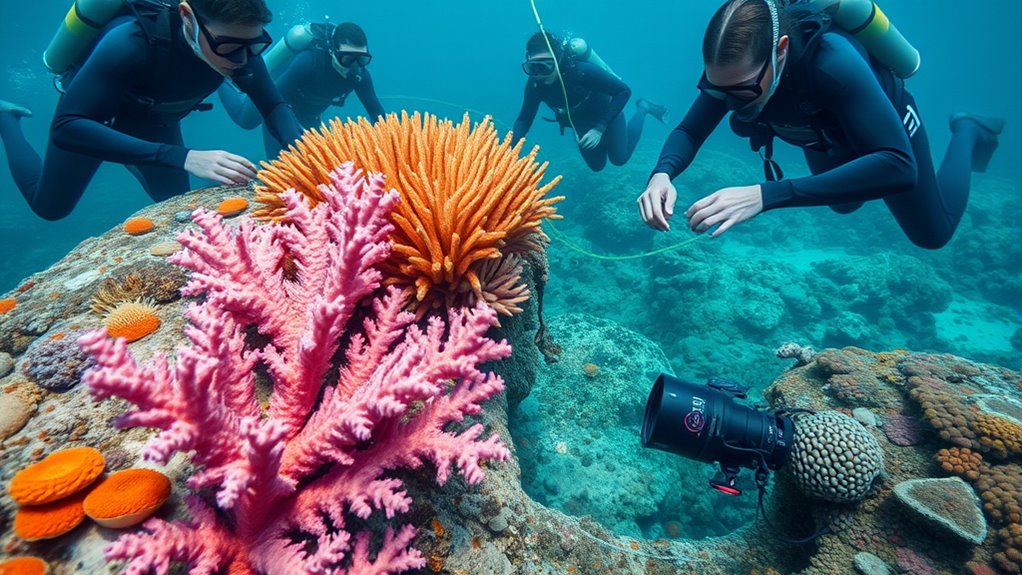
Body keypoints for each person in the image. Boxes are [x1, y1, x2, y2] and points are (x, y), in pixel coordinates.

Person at [637, 0, 1005, 249]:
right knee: (845, 205)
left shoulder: (832, 64)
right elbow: (689, 130)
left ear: (780, 51)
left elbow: (898, 165)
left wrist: (766, 195)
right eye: (718, 89)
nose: (730, 102)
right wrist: (662, 174)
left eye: (744, 89)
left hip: (883, 128)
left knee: (932, 234)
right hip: (821, 135)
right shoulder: (734, 72)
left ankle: (968, 130)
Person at [0, 0, 302, 221]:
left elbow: (274, 106)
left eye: (256, 44)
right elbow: (66, 127)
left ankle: (135, 154)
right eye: (228, 46)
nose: (244, 59)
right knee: (50, 208)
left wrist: (309, 154)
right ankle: (7, 118)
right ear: (187, 18)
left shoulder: (243, 49)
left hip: (156, 123)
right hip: (98, 121)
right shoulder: (130, 42)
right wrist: (183, 156)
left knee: (175, 206)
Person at [218, 21, 385, 158]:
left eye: (362, 59)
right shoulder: (308, 62)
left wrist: (383, 148)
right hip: (277, 106)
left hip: (310, 117)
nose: (355, 66)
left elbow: (375, 111)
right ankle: (218, 77)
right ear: (333, 52)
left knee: (317, 163)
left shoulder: (360, 76)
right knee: (246, 120)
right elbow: (273, 103)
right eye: (348, 58)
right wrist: (290, 135)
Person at [512, 31, 668, 172]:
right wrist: (511, 155)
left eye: (546, 66)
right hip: (579, 120)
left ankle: (643, 107)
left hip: (605, 112)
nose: (539, 74)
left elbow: (623, 91)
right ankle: (611, 137)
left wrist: (599, 129)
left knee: (619, 158)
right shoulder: (534, 85)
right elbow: (524, 120)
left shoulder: (582, 72)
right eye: (532, 67)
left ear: (558, 60)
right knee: (597, 166)